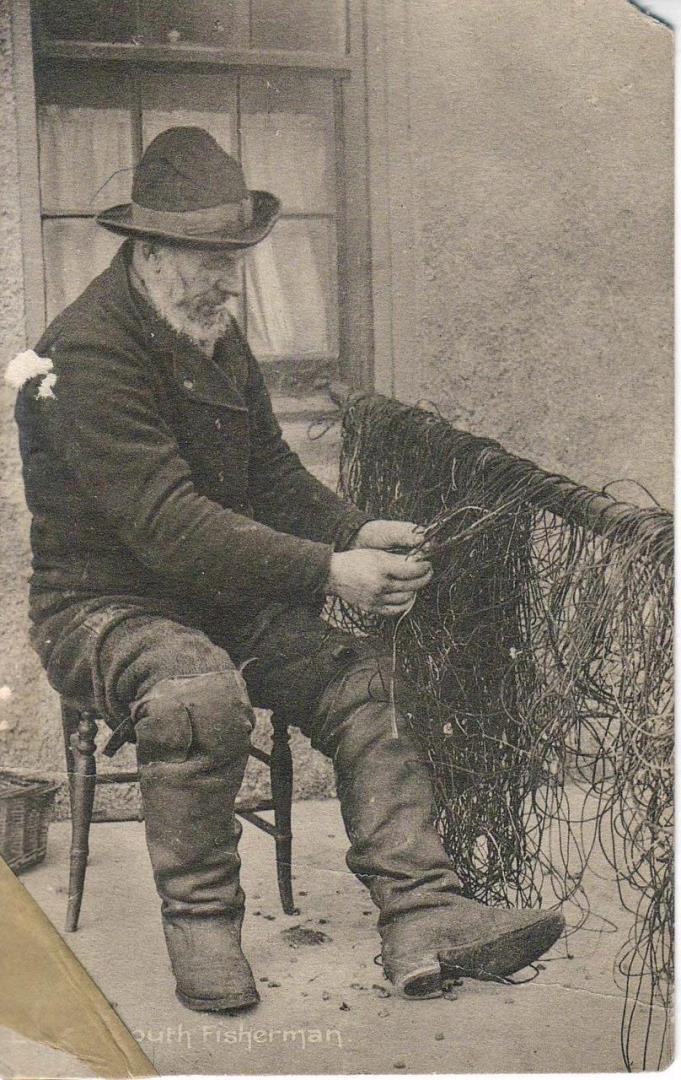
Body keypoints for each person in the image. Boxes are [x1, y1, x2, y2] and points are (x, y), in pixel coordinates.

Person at [13, 127, 564, 1013]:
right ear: (149, 252)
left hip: (217, 594)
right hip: (102, 608)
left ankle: (422, 913)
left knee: (360, 676)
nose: (229, 280)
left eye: (236, 257)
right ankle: (201, 931)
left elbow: (267, 471)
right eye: (209, 260)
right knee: (197, 697)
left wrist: (355, 526)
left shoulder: (205, 330)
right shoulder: (87, 352)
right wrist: (328, 570)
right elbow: (167, 525)